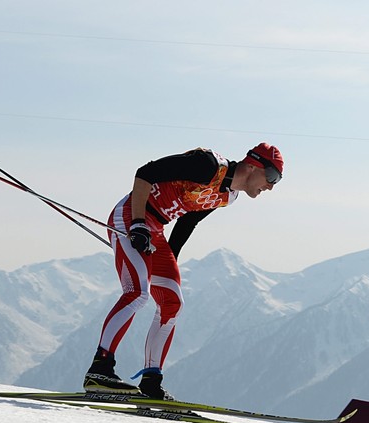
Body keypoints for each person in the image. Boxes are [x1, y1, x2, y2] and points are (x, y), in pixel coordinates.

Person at [83, 142, 284, 399]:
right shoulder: (208, 165)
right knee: (137, 292)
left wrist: (171, 258)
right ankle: (99, 370)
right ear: (253, 165)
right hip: (131, 217)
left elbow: (189, 219)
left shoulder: (228, 196)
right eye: (272, 176)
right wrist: (137, 224)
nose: (270, 186)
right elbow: (146, 173)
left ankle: (151, 382)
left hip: (156, 230)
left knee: (171, 303)